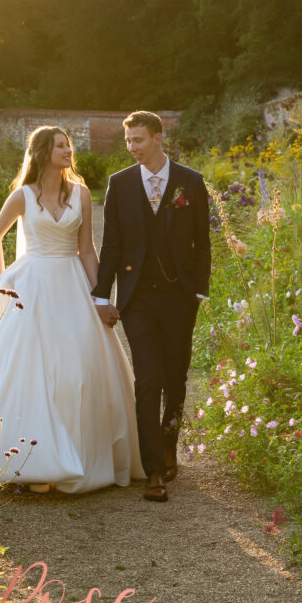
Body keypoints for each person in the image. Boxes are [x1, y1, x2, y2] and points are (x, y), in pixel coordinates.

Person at [0, 126, 144, 493]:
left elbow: (88, 250)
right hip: (31, 286)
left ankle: (80, 453)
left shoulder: (82, 194)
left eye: (69, 145)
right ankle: (26, 459)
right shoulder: (23, 195)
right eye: (61, 146)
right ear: (43, 152)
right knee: (29, 370)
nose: (68, 151)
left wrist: (100, 297)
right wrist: (2, 281)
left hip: (72, 284)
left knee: (79, 367)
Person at [92, 111, 211, 503]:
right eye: (128, 141)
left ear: (159, 138)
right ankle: (153, 470)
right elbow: (110, 245)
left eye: (138, 140)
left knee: (176, 377)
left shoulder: (190, 182)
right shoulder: (120, 184)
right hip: (138, 297)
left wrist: (199, 292)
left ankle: (169, 443)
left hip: (179, 297)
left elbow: (201, 242)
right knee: (148, 378)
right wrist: (101, 295)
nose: (132, 148)